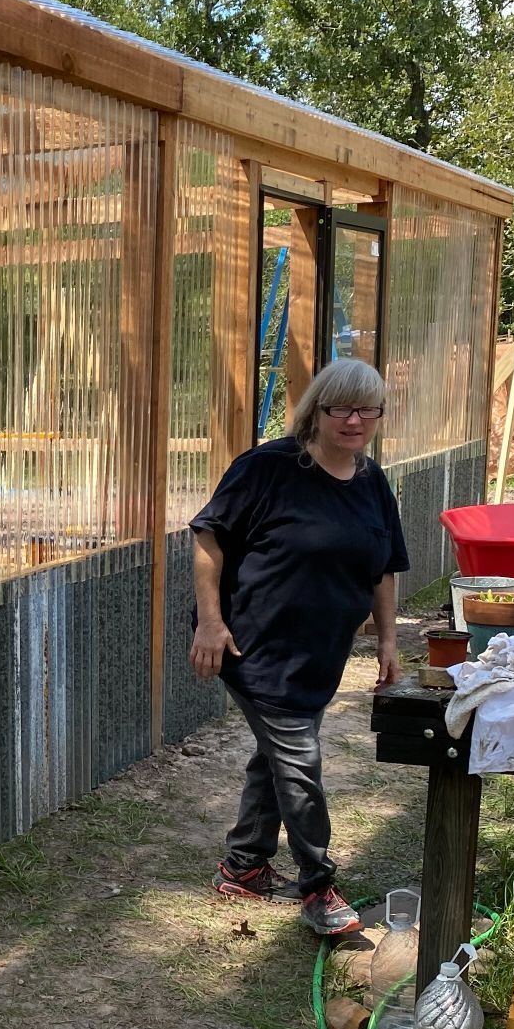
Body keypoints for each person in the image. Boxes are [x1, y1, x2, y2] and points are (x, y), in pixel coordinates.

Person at [189, 356, 408, 937]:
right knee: (298, 762)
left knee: (275, 757)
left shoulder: (371, 483)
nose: (354, 420)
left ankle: (243, 866)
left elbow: (384, 569)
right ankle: (317, 884)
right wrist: (210, 623)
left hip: (320, 654)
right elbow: (209, 536)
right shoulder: (268, 468)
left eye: (368, 409)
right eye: (341, 406)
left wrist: (387, 641)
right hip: (255, 647)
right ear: (317, 410)